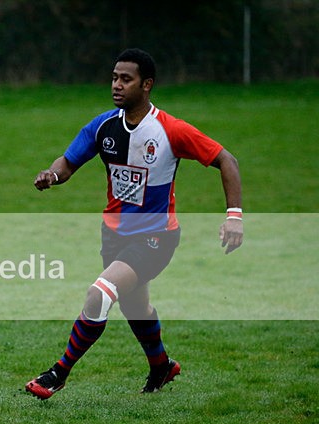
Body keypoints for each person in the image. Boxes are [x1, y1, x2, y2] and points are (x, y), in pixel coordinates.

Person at [24, 48, 243, 399]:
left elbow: (226, 160)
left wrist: (234, 216)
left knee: (100, 294)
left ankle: (58, 373)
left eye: (126, 79)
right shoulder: (103, 126)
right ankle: (162, 367)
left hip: (155, 238)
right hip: (113, 236)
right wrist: (51, 175)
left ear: (147, 85)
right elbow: (67, 162)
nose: (117, 85)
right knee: (136, 307)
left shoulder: (171, 130)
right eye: (114, 77)